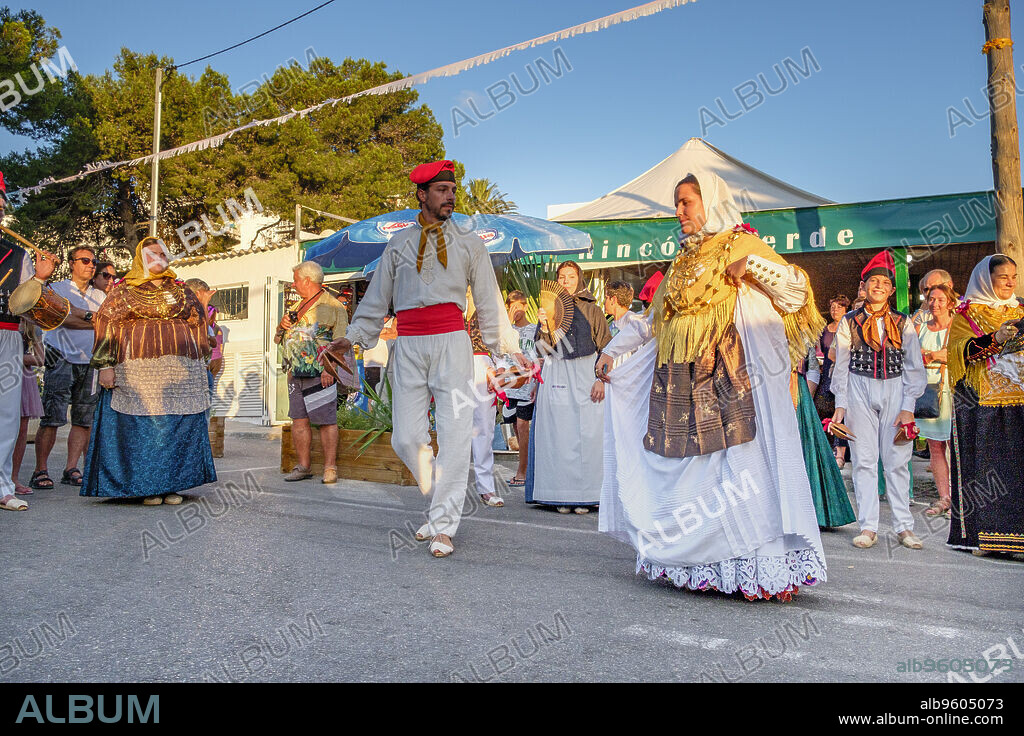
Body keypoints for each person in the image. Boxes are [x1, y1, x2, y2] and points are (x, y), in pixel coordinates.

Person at [595, 171, 827, 601]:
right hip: (681, 383)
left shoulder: (739, 243)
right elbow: (651, 323)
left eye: (686, 201)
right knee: (694, 472)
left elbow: (796, 293)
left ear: (711, 201)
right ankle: (697, 565)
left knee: (742, 467)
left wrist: (753, 265)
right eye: (677, 202)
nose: (678, 210)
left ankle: (759, 568)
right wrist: (610, 351)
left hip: (733, 377)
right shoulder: (680, 264)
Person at [326, 159, 526, 558]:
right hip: (408, 345)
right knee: (405, 437)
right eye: (441, 190)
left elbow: (488, 301)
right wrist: (350, 340)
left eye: (452, 190)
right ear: (422, 195)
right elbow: (376, 299)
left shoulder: (470, 242)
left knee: (454, 435)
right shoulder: (398, 244)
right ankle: (440, 504)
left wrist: (511, 351)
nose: (450, 196)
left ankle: (444, 526)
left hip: (453, 343)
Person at [81, 236, 216, 505]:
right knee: (146, 427)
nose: (159, 258)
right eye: (152, 254)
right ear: (141, 258)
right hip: (137, 371)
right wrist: (106, 365)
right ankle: (146, 487)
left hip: (179, 372)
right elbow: (107, 325)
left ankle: (171, 486)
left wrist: (201, 356)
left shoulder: (181, 290)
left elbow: (197, 322)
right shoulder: (123, 291)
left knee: (174, 426)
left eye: (162, 254)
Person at [830, 251, 927, 550]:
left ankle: (903, 527)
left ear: (891, 290)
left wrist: (908, 407)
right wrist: (840, 406)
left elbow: (913, 365)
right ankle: (868, 526)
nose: (879, 287)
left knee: (897, 461)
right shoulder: (848, 321)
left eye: (884, 282)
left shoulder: (903, 322)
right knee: (864, 461)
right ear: (864, 286)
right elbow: (841, 364)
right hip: (859, 388)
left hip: (895, 388)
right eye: (873, 281)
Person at [947, 254, 1024, 557]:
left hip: (1021, 400)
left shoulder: (1021, 308)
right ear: (986, 279)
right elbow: (959, 353)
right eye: (1003, 276)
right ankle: (988, 539)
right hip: (987, 405)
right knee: (993, 472)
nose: (1009, 282)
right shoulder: (966, 315)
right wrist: (995, 337)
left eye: (1013, 276)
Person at [527, 260, 611, 514]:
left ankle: (587, 496)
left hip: (587, 372)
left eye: (571, 276)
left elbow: (606, 347)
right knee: (559, 432)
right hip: (557, 371)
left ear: (579, 279)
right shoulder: (549, 307)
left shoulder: (592, 309)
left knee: (588, 433)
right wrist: (543, 326)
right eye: (562, 277)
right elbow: (541, 349)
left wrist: (601, 379)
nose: (566, 281)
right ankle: (559, 495)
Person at [31, 245, 106, 491]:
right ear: (72, 263)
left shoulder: (101, 296)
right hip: (61, 357)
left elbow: (105, 327)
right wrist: (88, 319)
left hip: (90, 361)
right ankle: (40, 470)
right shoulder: (57, 288)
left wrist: (73, 318)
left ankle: (71, 468)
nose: (91, 265)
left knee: (83, 420)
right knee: (52, 418)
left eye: (93, 261)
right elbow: (56, 317)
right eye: (84, 260)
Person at [274, 261, 347, 485]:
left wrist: (330, 369)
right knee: (299, 420)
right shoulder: (296, 308)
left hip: (320, 371)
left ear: (307, 280)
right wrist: (280, 327)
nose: (294, 285)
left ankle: (329, 468)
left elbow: (342, 342)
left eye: (296, 280)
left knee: (325, 420)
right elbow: (277, 339)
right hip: (295, 372)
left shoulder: (333, 306)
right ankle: (303, 466)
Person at [794, 345, 856, 528]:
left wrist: (807, 394)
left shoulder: (800, 328)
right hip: (770, 391)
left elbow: (812, 366)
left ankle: (812, 510)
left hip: (796, 391)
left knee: (806, 449)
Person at [917, 283, 955, 518]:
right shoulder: (921, 327)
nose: (935, 304)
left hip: (954, 391)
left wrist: (937, 357)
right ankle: (945, 497)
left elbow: (964, 355)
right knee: (935, 446)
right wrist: (933, 356)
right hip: (928, 391)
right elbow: (910, 358)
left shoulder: (958, 326)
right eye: (931, 299)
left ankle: (961, 495)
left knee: (957, 445)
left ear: (950, 303)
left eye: (940, 300)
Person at [464, 287, 504, 507]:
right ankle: (448, 489)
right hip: (453, 367)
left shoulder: (488, 310)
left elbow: (500, 345)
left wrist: (498, 368)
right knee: (451, 430)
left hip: (482, 367)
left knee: (484, 429)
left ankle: (486, 488)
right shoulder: (451, 306)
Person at [501, 291, 539, 487]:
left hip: (527, 385)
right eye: (511, 306)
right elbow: (497, 349)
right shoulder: (506, 331)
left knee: (524, 427)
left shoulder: (534, 330)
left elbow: (542, 354)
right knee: (516, 428)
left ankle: (523, 472)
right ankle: (524, 467)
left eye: (518, 306)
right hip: (509, 386)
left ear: (525, 306)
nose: (515, 310)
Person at [816, 295, 851, 468]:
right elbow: (822, 351)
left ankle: (840, 453)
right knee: (823, 409)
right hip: (827, 374)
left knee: (841, 412)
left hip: (844, 374)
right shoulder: (825, 330)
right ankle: (826, 448)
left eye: (839, 307)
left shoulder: (849, 327)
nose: (835, 310)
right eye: (833, 307)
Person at [12, 323, 44, 496]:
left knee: (21, 429)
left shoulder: (29, 323)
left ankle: (13, 479)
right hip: (7, 374)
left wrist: (12, 357)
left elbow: (40, 359)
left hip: (23, 377)